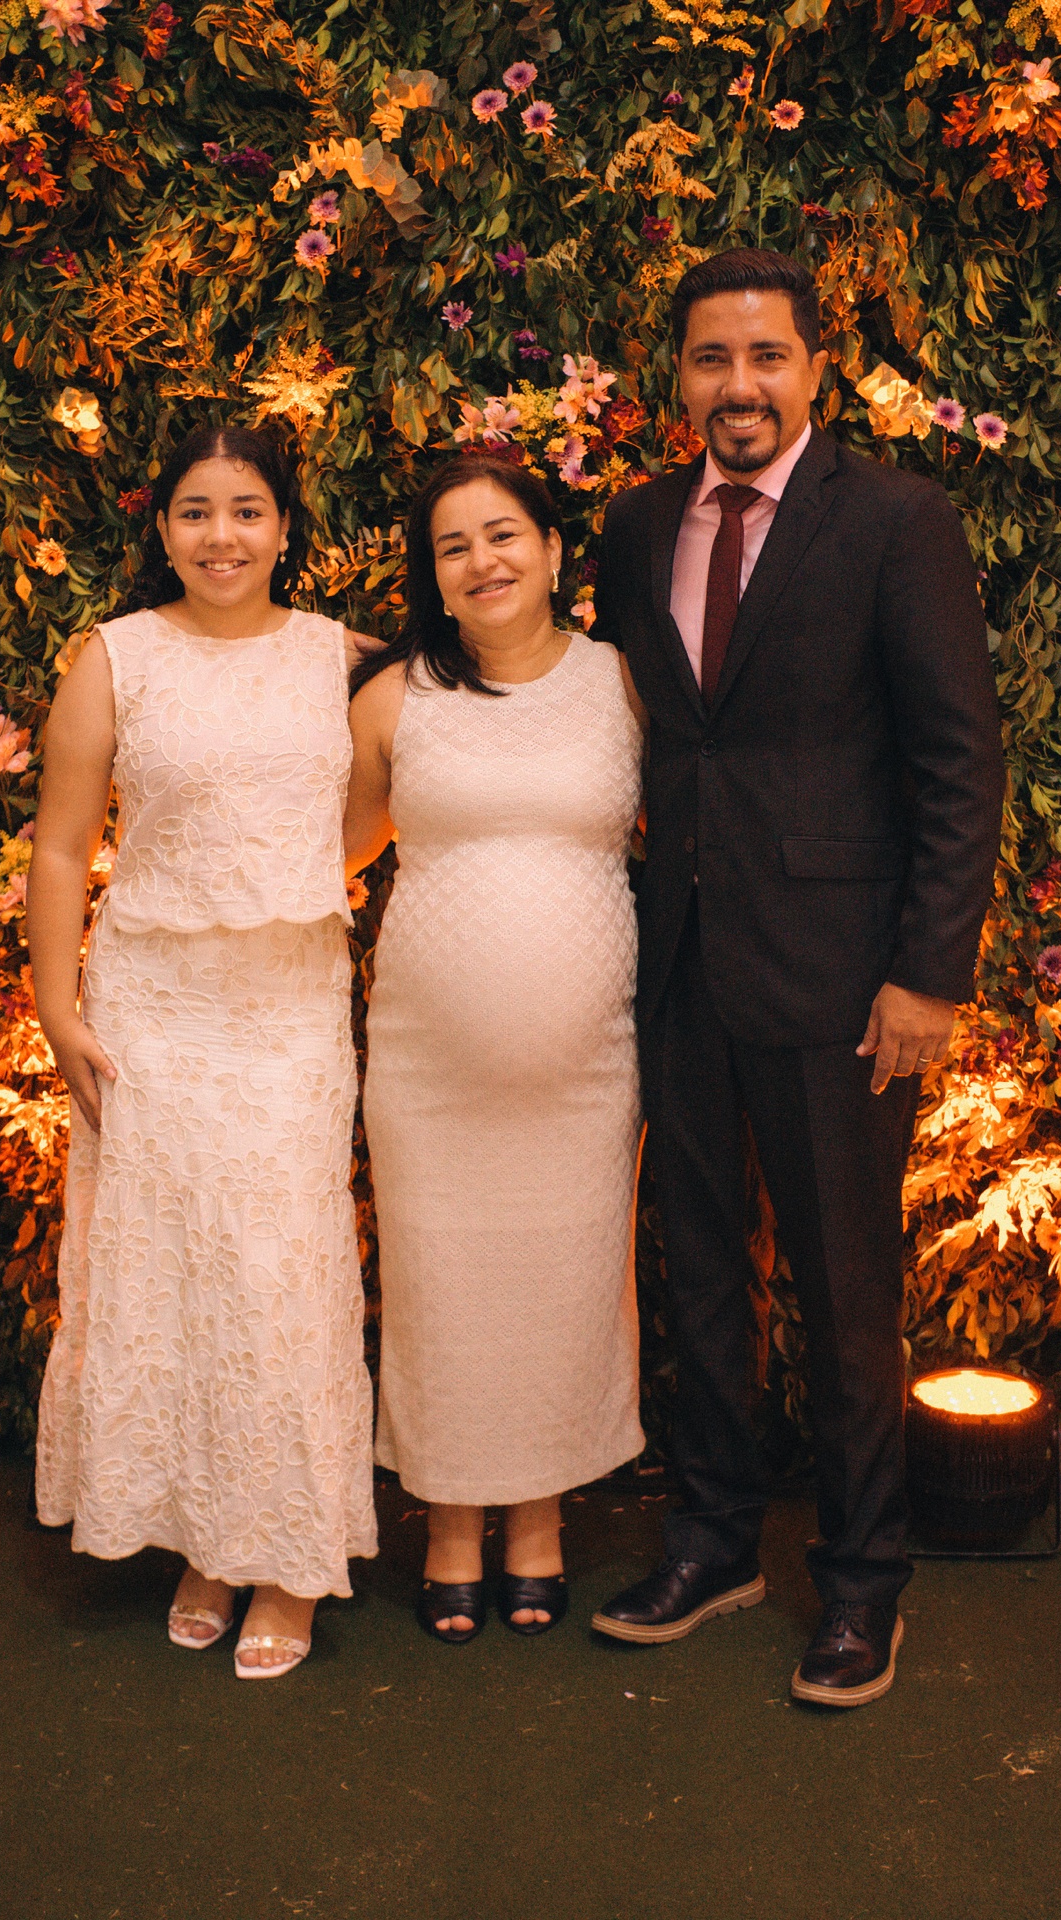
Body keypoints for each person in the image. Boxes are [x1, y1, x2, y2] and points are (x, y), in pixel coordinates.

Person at [590, 249, 1004, 1706]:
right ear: (678, 376)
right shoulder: (635, 526)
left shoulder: (894, 519)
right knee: (700, 1270)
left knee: (842, 1291)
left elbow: (956, 758)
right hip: (679, 963)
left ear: (815, 368)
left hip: (841, 983)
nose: (738, 384)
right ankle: (712, 1543)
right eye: (711, 357)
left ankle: (861, 1580)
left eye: (765, 355)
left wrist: (926, 976)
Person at [30, 424, 378, 1680]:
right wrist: (57, 1006)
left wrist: (285, 878)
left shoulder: (342, 658)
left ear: (284, 526)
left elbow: (376, 808)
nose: (220, 535)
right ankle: (205, 1543)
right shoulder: (113, 657)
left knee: (278, 1270)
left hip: (285, 1008)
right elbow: (61, 843)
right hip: (153, 1007)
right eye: (194, 510)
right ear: (163, 529)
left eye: (245, 510)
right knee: (174, 1271)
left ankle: (285, 1555)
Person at [343, 455, 646, 1642]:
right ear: (432, 575)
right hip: (430, 1065)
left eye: (504, 533)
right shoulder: (392, 698)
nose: (483, 561)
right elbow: (335, 852)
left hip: (585, 1064)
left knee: (568, 1281)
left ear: (554, 550)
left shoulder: (623, 684)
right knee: (438, 1285)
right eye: (453, 545)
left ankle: (536, 1520)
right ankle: (448, 1520)